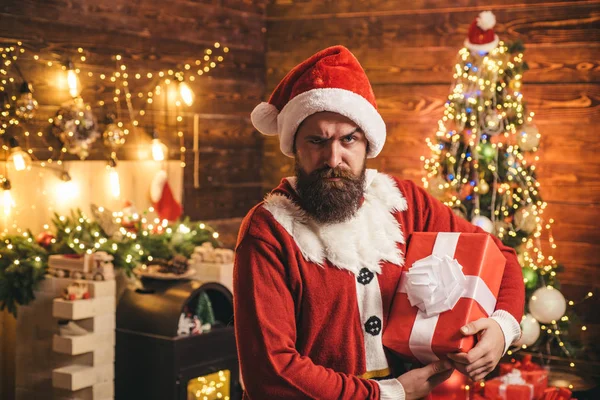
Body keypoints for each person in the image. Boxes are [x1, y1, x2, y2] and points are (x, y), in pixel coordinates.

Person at [233, 45, 524, 400]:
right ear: (295, 146)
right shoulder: (268, 230)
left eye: (348, 139)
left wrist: (502, 327)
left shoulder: (404, 202)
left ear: (366, 143)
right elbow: (270, 372)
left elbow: (500, 255)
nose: (333, 158)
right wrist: (389, 393)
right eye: (317, 140)